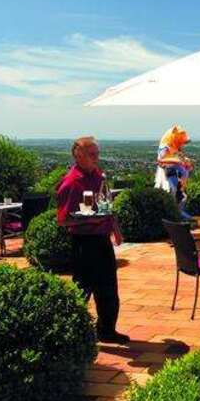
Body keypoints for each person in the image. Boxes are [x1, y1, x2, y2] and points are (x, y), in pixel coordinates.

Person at [57, 136, 128, 345]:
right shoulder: (71, 182)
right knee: (82, 290)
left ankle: (106, 331)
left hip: (102, 241)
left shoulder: (97, 176)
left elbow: (107, 204)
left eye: (97, 153)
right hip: (84, 244)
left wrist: (115, 229)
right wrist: (92, 219)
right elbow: (63, 220)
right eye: (92, 154)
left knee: (108, 289)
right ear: (78, 155)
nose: (97, 158)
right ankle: (69, 334)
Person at [155, 125, 192, 204]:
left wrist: (186, 161)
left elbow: (181, 156)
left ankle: (180, 190)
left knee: (185, 172)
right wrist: (177, 161)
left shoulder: (175, 146)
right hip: (165, 170)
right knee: (169, 190)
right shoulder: (165, 146)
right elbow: (160, 160)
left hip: (172, 170)